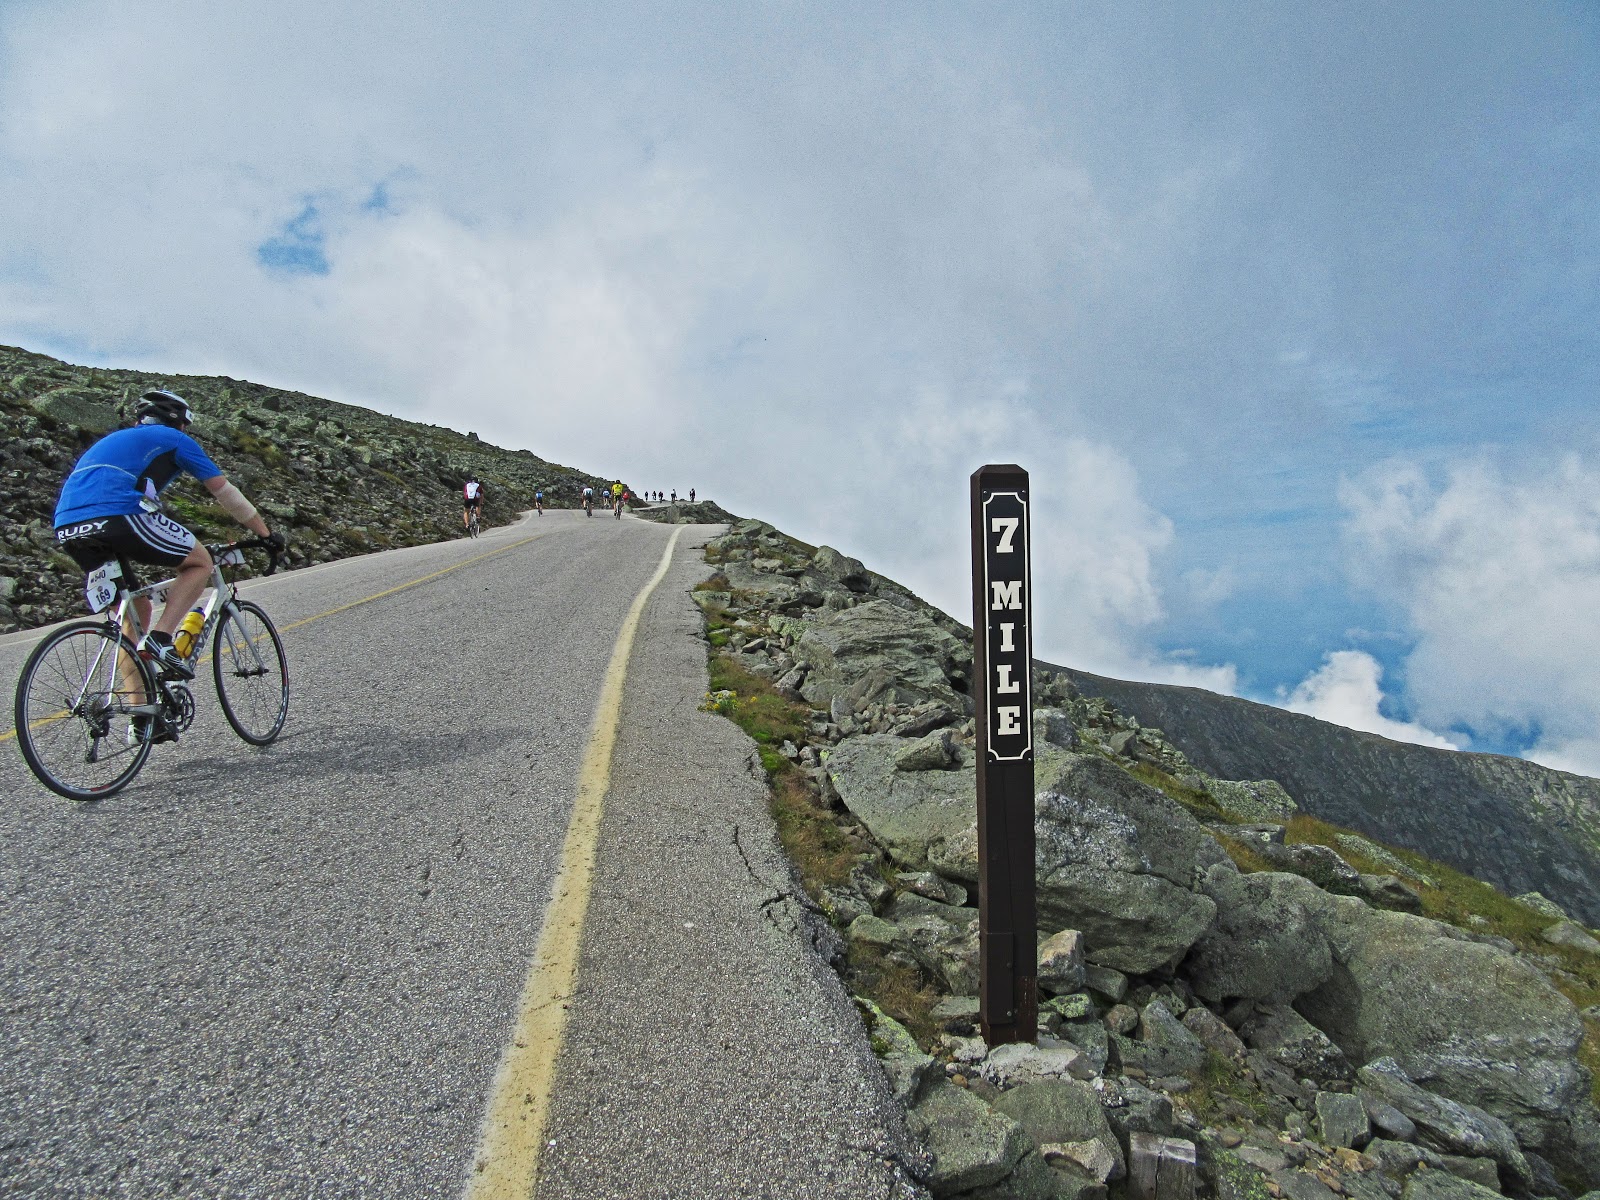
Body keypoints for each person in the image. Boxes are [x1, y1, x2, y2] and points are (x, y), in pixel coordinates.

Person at [52, 388, 283, 685]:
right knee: (199, 563)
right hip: (119, 512)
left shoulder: (113, 439)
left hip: (68, 525)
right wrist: (265, 534)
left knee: (134, 616)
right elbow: (226, 494)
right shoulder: (174, 439)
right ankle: (161, 639)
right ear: (178, 421)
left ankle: (141, 720)